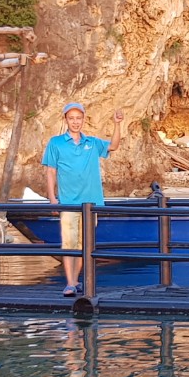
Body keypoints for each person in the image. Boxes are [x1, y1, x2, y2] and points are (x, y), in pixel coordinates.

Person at [42, 102, 123, 297]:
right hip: (68, 203)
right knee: (69, 243)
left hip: (91, 204)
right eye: (71, 118)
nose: (75, 122)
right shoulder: (55, 143)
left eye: (78, 118)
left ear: (83, 119)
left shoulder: (92, 143)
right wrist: (52, 198)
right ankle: (70, 283)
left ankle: (76, 280)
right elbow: (50, 171)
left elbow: (113, 146)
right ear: (66, 120)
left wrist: (117, 124)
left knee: (84, 245)